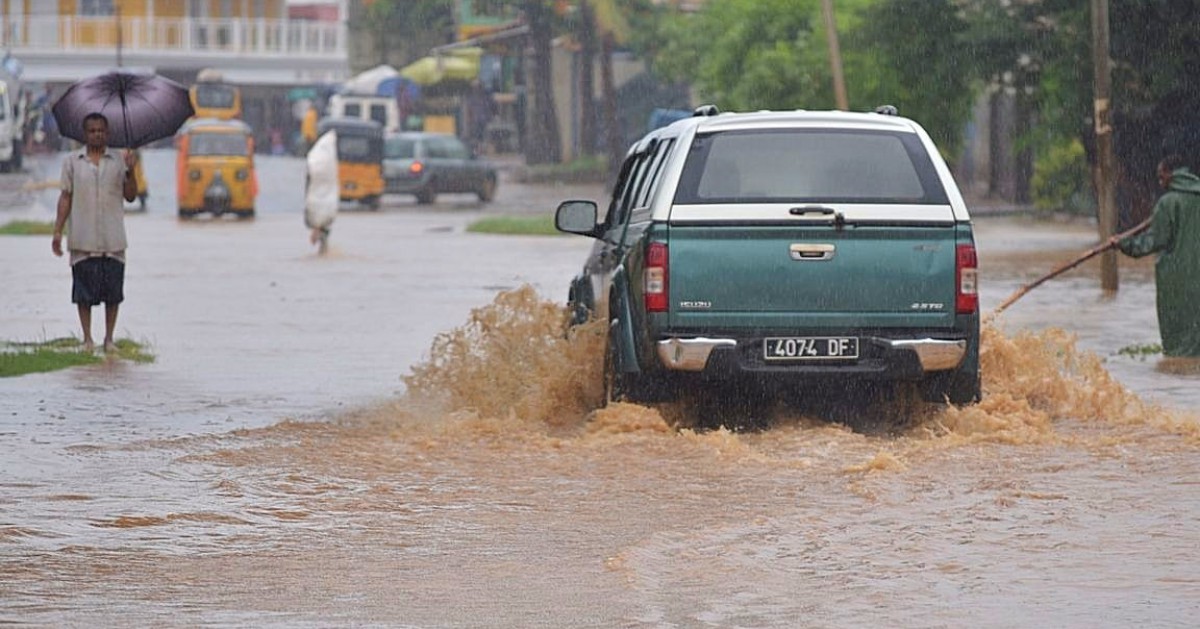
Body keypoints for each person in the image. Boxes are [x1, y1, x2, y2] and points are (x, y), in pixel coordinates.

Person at [51, 112, 138, 354]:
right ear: (85, 134)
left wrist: (132, 171)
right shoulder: (72, 162)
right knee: (83, 293)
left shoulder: (120, 161)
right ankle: (87, 339)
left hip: (113, 238)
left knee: (113, 294)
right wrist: (57, 231)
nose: (97, 134)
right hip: (82, 237)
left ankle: (109, 339)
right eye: (92, 130)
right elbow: (65, 197)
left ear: (107, 133)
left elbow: (130, 196)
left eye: (101, 130)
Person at [1114, 154, 1200, 357]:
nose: (1160, 182)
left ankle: (1179, 373)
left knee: (1179, 342)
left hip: (1177, 280)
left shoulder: (1168, 203)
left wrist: (1122, 243)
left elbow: (1152, 242)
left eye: (1161, 177)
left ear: (1172, 175)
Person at [304, 129, 339, 255]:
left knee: (323, 233)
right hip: (322, 207)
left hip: (320, 207)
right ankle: (324, 250)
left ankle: (323, 250)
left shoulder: (320, 155)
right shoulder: (323, 154)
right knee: (323, 235)